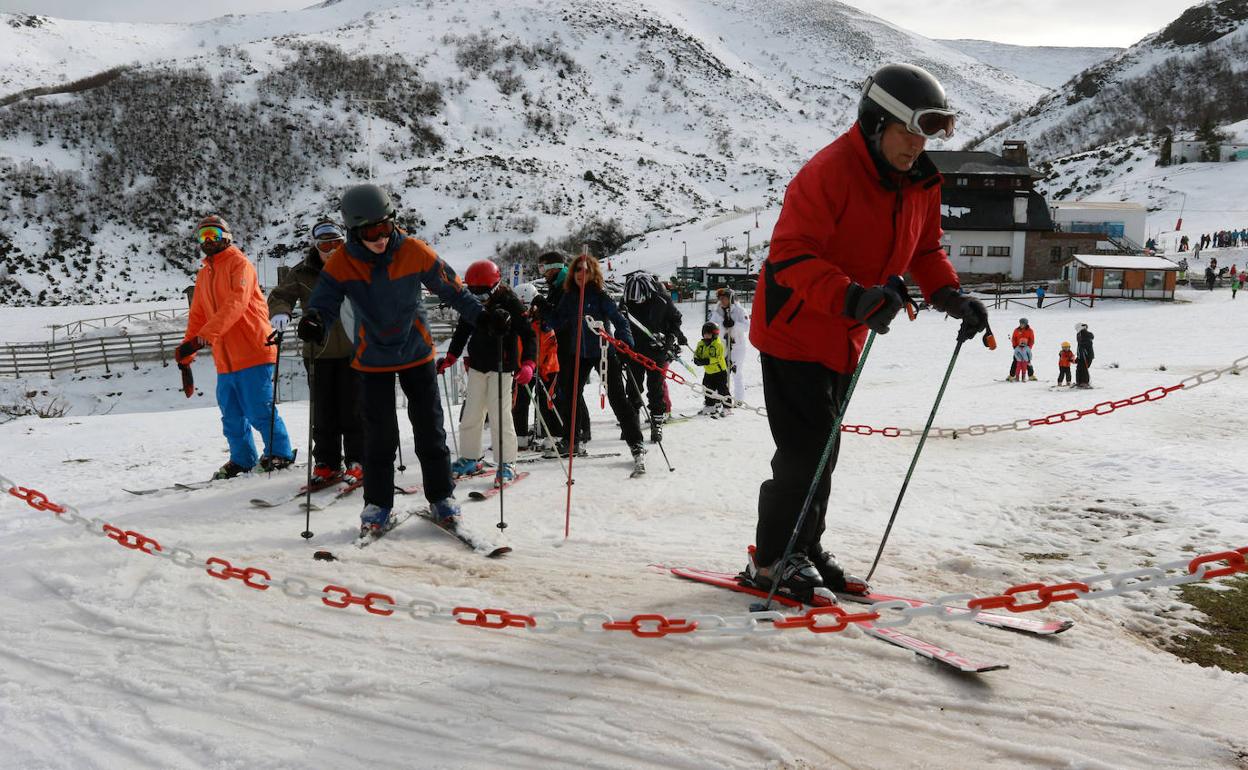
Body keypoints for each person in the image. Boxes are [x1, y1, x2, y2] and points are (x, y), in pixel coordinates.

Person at [745, 62, 988, 598]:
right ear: (877, 123)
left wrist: (949, 295)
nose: (916, 146)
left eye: (926, 136)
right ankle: (772, 561)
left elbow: (925, 250)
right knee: (805, 452)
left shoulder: (921, 180)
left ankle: (802, 548)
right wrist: (853, 296)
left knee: (825, 450)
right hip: (795, 329)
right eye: (909, 132)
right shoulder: (828, 172)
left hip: (846, 335)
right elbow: (790, 257)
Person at [300, 184, 491, 535]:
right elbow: (324, 302)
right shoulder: (343, 261)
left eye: (386, 227)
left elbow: (454, 289)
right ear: (354, 232)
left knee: (430, 432)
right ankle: (378, 504)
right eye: (371, 231)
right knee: (379, 438)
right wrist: (315, 321)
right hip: (371, 359)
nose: (380, 238)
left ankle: (442, 498)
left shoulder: (414, 251)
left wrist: (484, 318)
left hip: (416, 353)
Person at [177, 215, 296, 480]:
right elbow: (197, 316)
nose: (208, 240)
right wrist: (188, 349)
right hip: (225, 358)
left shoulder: (239, 265)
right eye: (203, 236)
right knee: (231, 415)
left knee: (258, 409)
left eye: (214, 234)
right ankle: (242, 459)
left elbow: (236, 304)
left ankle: (280, 453)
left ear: (227, 237)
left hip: (253, 349)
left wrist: (204, 336)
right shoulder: (204, 273)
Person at [267, 219, 364, 487]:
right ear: (316, 246)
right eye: (325, 244)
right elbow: (280, 296)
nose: (331, 249)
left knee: (353, 410)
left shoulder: (358, 266)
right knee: (323, 412)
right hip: (318, 352)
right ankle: (326, 462)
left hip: (354, 351)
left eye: (336, 243)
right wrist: (280, 313)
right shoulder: (303, 272)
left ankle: (358, 460)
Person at [545, 253, 647, 473]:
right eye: (578, 270)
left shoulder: (600, 295)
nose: (582, 273)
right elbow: (556, 320)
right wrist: (542, 316)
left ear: (593, 273)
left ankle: (636, 443)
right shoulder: (569, 296)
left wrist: (625, 342)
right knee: (570, 396)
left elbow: (620, 321)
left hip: (603, 351)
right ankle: (573, 439)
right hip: (577, 353)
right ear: (573, 273)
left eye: (586, 269)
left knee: (618, 398)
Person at [438, 260, 536, 485]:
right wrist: (451, 356)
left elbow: (529, 335)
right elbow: (463, 330)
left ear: (495, 285)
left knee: (500, 414)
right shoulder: (472, 301)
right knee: (471, 413)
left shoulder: (511, 302)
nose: (479, 298)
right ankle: (471, 457)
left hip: (502, 366)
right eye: (473, 292)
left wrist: (529, 363)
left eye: (483, 293)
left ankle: (507, 462)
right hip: (478, 365)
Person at [622, 270, 688, 441]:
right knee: (633, 388)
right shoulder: (626, 300)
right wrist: (621, 348)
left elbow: (676, 320)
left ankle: (657, 423)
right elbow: (621, 324)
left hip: (656, 351)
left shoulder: (662, 300)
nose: (637, 302)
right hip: (634, 350)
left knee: (656, 388)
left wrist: (669, 338)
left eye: (640, 299)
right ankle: (632, 423)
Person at [511, 284, 561, 451]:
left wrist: (545, 369)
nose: (526, 311)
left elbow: (552, 347)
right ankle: (520, 437)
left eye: (529, 307)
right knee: (520, 400)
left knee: (547, 402)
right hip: (525, 367)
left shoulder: (545, 322)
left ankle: (552, 435)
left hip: (547, 368)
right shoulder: (517, 322)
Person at [709, 286, 749, 411]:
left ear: (730, 298)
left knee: (737, 372)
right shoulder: (718, 311)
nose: (722, 301)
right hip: (723, 346)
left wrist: (734, 325)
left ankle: (738, 399)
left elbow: (747, 326)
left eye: (724, 298)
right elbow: (712, 327)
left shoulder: (740, 311)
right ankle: (722, 398)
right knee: (722, 373)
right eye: (720, 298)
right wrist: (722, 327)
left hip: (737, 346)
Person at [692, 321, 730, 416]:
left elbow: (717, 358)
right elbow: (697, 353)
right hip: (708, 372)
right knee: (707, 388)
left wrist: (706, 361)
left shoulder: (718, 345)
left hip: (719, 372)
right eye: (705, 334)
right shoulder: (701, 344)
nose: (706, 336)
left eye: (708, 334)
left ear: (714, 334)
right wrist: (696, 359)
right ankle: (710, 406)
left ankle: (727, 407)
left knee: (722, 389)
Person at [1075, 323, 1095, 389]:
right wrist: (1078, 357)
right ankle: (1079, 382)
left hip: (1086, 355)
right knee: (1079, 369)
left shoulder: (1085, 333)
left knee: (1084, 369)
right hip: (1081, 355)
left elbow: (1088, 343)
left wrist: (1083, 344)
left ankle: (1085, 382)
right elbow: (1079, 345)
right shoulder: (1079, 334)